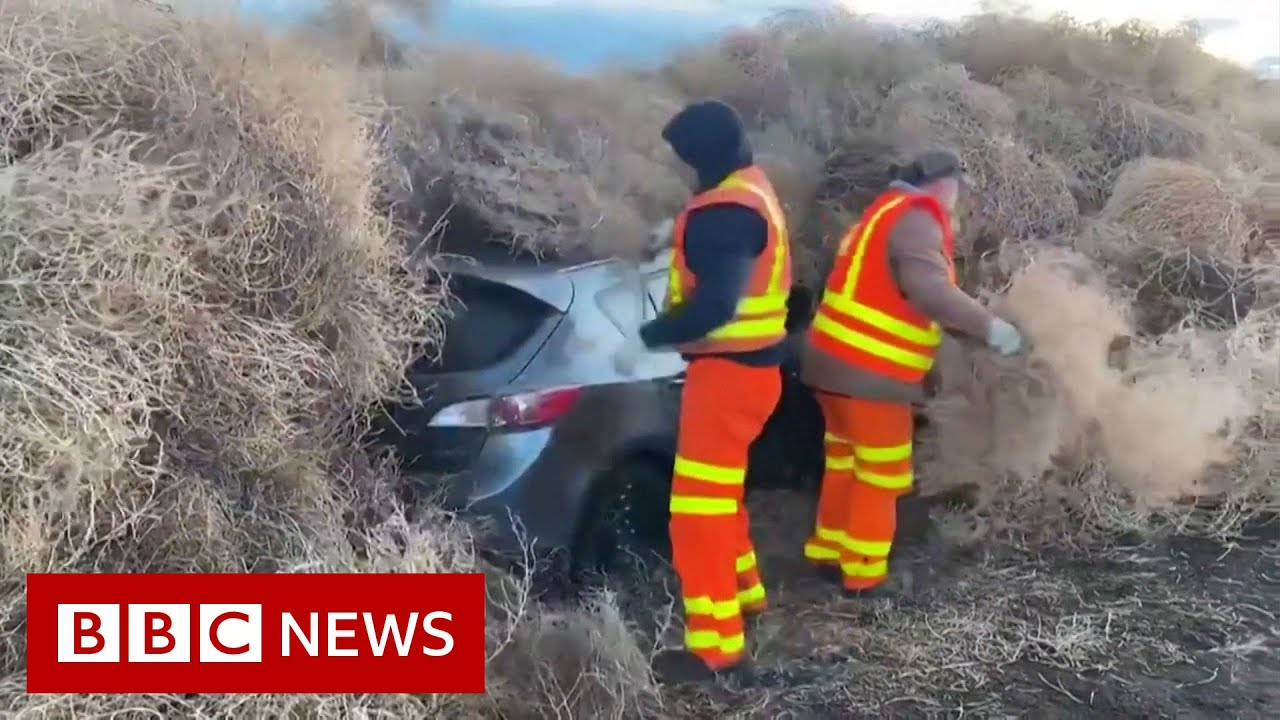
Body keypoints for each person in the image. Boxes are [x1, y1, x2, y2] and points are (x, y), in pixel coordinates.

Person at [613, 99, 792, 682]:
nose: (681, 167)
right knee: (722, 495)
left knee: (696, 512)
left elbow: (716, 305)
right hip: (753, 374)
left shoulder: (724, 212)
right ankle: (746, 592)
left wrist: (647, 336)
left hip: (727, 378)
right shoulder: (752, 188)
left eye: (683, 157)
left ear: (699, 155)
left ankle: (716, 649)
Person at [798, 150, 1025, 596]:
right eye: (958, 189)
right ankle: (863, 575)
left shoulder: (882, 211)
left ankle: (829, 553)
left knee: (846, 462)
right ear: (944, 185)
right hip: (870, 376)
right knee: (881, 474)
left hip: (831, 366)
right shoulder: (920, 217)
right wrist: (991, 328)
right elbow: (929, 291)